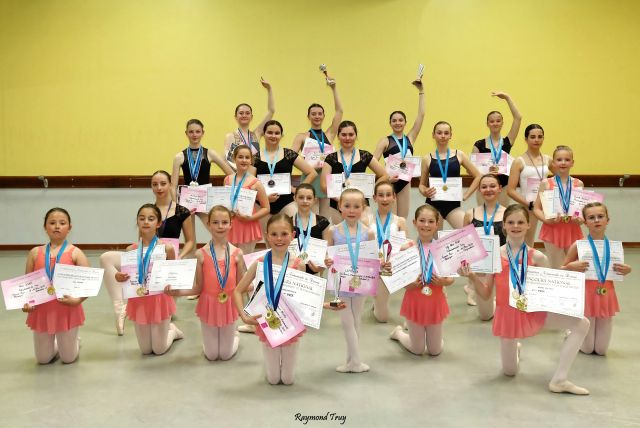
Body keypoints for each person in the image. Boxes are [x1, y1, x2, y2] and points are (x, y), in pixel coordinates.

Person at [460, 204, 590, 395]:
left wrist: (568, 269)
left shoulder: (537, 256)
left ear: (528, 226)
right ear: (504, 225)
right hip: (508, 316)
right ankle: (515, 348)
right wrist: (471, 276)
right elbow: (487, 293)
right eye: (511, 222)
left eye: (521, 222)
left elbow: (550, 282)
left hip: (532, 310)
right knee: (509, 372)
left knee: (582, 324)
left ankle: (560, 379)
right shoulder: (495, 255)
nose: (516, 226)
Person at [100, 171, 196, 336]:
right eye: (154, 184)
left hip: (168, 260)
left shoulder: (182, 211)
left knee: (165, 315)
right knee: (106, 258)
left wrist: (177, 258)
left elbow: (191, 241)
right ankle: (120, 307)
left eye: (163, 183)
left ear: (170, 185)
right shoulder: (147, 211)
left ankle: (171, 330)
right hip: (146, 258)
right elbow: (141, 240)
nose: (159, 188)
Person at [165, 206, 246, 361]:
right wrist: (177, 292)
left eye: (224, 222)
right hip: (209, 305)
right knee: (211, 355)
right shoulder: (200, 254)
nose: (220, 226)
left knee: (225, 355)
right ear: (208, 225)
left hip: (228, 305)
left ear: (231, 224)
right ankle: (220, 340)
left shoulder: (237, 254)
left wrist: (262, 283)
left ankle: (235, 337)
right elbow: (198, 287)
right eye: (215, 222)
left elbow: (240, 287)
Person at [233, 214, 306, 385]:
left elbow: (304, 297)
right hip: (267, 322)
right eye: (274, 234)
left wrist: (323, 306)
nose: (279, 239)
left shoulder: (298, 264)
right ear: (267, 235)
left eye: (284, 234)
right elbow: (237, 290)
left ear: (293, 235)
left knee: (288, 380)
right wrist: (244, 316)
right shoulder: (259, 262)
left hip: (290, 323)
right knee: (273, 379)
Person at [561, 202, 632, 355]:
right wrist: (571, 267)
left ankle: (582, 335)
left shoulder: (614, 248)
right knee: (587, 349)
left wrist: (628, 269)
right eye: (591, 218)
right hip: (586, 296)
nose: (596, 220)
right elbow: (562, 270)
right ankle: (570, 333)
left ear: (608, 220)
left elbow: (619, 268)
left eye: (600, 216)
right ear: (585, 222)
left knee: (600, 350)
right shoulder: (578, 245)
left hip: (606, 295)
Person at [22, 208, 89, 364]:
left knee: (68, 359)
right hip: (41, 311)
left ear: (69, 227)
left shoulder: (76, 252)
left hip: (67, 310)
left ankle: (74, 341)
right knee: (43, 360)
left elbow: (89, 284)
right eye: (52, 223)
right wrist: (26, 303)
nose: (57, 226)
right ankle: (61, 344)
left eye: (62, 223)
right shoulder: (34, 252)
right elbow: (27, 283)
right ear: (45, 227)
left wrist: (78, 300)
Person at [114, 204, 183, 355]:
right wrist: (118, 276)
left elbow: (174, 274)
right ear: (137, 222)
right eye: (142, 218)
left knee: (159, 350)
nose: (146, 222)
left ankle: (173, 331)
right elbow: (124, 277)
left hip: (160, 300)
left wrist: (173, 284)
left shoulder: (167, 248)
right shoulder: (130, 250)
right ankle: (165, 330)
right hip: (139, 300)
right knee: (145, 350)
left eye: (151, 219)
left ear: (158, 223)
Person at [324, 189, 377, 373]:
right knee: (347, 322)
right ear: (339, 207)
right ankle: (356, 362)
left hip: (360, 281)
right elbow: (327, 255)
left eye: (356, 206)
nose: (351, 210)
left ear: (363, 208)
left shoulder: (368, 232)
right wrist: (327, 260)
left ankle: (351, 361)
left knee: (356, 322)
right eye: (347, 206)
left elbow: (372, 259)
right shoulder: (333, 231)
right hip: (340, 282)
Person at [389, 204, 453, 355]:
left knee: (435, 351)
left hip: (435, 302)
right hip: (414, 301)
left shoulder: (444, 248)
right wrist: (409, 285)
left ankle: (433, 340)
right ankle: (398, 334)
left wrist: (443, 282)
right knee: (417, 350)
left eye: (431, 221)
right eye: (422, 220)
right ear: (414, 222)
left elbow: (450, 279)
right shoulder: (407, 248)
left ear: (437, 224)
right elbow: (399, 279)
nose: (426, 225)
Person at [290, 74, 343, 216]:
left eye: (320, 113)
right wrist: (309, 167)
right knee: (309, 217)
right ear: (308, 117)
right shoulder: (301, 137)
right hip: (310, 177)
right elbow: (289, 158)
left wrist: (334, 88)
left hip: (325, 179)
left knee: (324, 219)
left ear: (324, 116)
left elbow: (339, 112)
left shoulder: (330, 134)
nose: (317, 116)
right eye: (313, 114)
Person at [373, 77, 425, 218]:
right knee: (391, 219)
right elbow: (373, 162)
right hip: (390, 183)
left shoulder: (410, 138)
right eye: (394, 120)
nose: (397, 123)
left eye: (400, 120)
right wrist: (386, 177)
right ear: (390, 123)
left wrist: (421, 91)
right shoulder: (385, 141)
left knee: (402, 219)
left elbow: (421, 115)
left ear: (405, 122)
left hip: (405, 182)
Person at [320, 120, 390, 224]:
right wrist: (340, 199)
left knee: (363, 238)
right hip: (337, 206)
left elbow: (384, 175)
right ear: (338, 136)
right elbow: (323, 185)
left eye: (351, 134)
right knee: (341, 239)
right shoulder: (331, 158)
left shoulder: (364, 155)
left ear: (356, 136)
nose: (347, 138)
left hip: (361, 207)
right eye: (343, 134)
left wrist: (371, 188)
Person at [171, 119, 233, 232]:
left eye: (197, 131)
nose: (194, 135)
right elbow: (172, 186)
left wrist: (224, 195)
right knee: (190, 239)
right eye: (191, 132)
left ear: (202, 133)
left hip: (205, 200)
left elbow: (231, 175)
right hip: (187, 201)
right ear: (186, 133)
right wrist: (176, 207)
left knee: (215, 232)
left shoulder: (210, 153)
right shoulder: (179, 157)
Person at [418, 121, 481, 229]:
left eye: (446, 133)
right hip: (433, 205)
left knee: (469, 234)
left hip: (453, 206)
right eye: (439, 133)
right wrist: (424, 191)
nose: (443, 136)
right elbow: (421, 185)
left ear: (451, 135)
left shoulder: (459, 154)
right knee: (433, 242)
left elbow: (478, 176)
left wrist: (466, 195)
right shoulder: (427, 158)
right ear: (433, 135)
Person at [254, 120, 317, 225]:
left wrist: (298, 191)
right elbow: (249, 183)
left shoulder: (289, 154)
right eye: (269, 132)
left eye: (277, 133)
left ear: (281, 135)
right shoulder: (255, 157)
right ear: (263, 135)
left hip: (287, 203)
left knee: (291, 234)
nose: (273, 136)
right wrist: (263, 198)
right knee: (267, 239)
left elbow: (312, 173)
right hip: (262, 204)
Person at [533, 145, 584, 268]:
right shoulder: (546, 183)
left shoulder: (578, 184)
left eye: (567, 160)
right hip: (552, 230)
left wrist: (580, 219)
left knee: (573, 268)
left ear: (572, 163)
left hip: (573, 229)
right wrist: (546, 220)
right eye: (559, 159)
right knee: (557, 268)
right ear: (554, 162)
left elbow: (581, 210)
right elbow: (536, 208)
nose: (563, 163)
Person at [462, 173, 506, 311]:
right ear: (479, 190)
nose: (488, 189)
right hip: (479, 265)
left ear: (500, 188)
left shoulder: (507, 213)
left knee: (498, 304)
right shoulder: (470, 213)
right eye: (484, 187)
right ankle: (471, 287)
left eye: (492, 186)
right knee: (485, 311)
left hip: (500, 263)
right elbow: (464, 242)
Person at [471, 91, 522, 205]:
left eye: (498, 121)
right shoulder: (479, 145)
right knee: (483, 219)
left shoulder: (508, 142)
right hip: (484, 188)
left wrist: (507, 98)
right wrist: (485, 171)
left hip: (503, 187)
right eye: (492, 121)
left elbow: (518, 118)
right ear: (487, 123)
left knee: (501, 219)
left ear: (502, 123)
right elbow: (471, 170)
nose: (495, 123)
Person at [506, 124, 553, 246]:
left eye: (540, 136)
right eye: (532, 137)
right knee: (527, 242)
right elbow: (510, 190)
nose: (536, 140)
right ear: (526, 139)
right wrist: (530, 204)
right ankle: (523, 264)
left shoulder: (548, 159)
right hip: (529, 207)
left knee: (552, 240)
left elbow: (562, 178)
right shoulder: (519, 161)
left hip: (547, 205)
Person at [368, 180, 407, 323]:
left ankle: (379, 299)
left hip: (392, 266)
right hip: (375, 267)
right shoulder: (366, 220)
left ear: (394, 197)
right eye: (380, 195)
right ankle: (377, 299)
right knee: (382, 318)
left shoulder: (400, 221)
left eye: (388, 195)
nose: (384, 199)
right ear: (374, 198)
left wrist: (409, 245)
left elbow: (404, 246)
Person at [224, 145, 270, 255]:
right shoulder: (227, 180)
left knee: (244, 261)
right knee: (229, 259)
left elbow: (266, 208)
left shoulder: (256, 182)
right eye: (240, 157)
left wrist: (250, 218)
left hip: (248, 225)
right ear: (234, 159)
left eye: (247, 157)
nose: (244, 160)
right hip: (230, 224)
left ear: (251, 160)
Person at [223, 78, 275, 170]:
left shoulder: (257, 134)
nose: (244, 115)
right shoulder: (230, 136)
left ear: (251, 117)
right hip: (238, 176)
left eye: (247, 113)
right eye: (241, 113)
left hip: (255, 176)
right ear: (235, 116)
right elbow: (227, 160)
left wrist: (269, 89)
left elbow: (271, 111)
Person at [291, 183, 330, 275]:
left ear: (314, 200)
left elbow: (327, 250)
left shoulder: (323, 222)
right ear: (294, 198)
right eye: (301, 197)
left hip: (315, 272)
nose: (305, 201)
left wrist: (320, 268)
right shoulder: (287, 222)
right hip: (292, 272)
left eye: (309, 198)